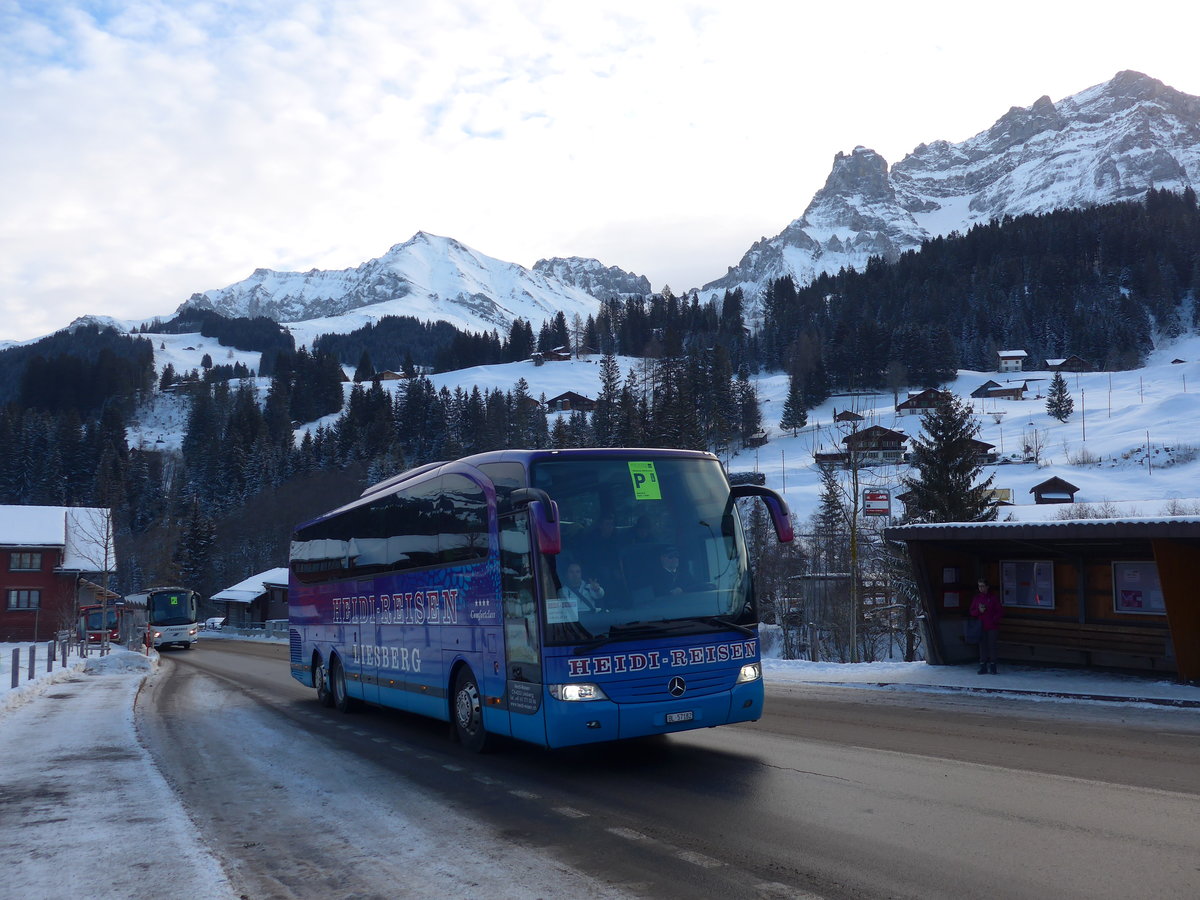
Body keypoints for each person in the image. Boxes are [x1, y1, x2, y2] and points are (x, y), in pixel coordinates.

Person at [970, 578, 1003, 674]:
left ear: (987, 587)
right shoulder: (977, 599)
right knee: (982, 646)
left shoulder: (993, 598)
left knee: (992, 645)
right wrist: (978, 611)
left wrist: (994, 620)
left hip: (992, 626)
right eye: (979, 586)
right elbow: (972, 612)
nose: (981, 588)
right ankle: (983, 665)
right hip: (981, 625)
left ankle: (993, 666)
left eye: (983, 586)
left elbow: (1000, 611)